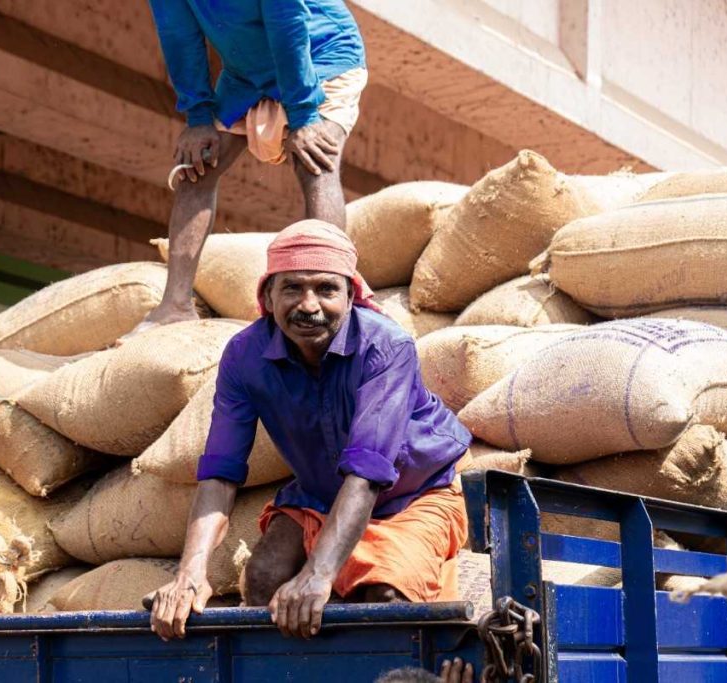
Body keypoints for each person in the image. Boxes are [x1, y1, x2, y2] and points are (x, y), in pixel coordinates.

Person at [149, 220, 471, 641]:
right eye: (291, 288)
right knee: (264, 578)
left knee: (384, 597)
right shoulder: (244, 356)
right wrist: (189, 574)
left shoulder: (387, 347)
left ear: (351, 295)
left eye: (326, 289)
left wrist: (319, 573)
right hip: (318, 496)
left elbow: (367, 473)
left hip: (413, 496)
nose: (309, 305)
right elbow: (221, 471)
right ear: (266, 295)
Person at [136, 0, 368, 335]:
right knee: (196, 169)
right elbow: (178, 34)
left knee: (314, 163)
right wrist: (199, 116)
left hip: (321, 55)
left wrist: (303, 115)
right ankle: (175, 306)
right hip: (247, 75)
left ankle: (328, 309)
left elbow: (286, 20)